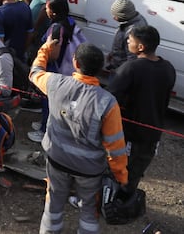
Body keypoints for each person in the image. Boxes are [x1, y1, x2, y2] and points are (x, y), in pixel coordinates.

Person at [29, 40, 128, 234]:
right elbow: (115, 146)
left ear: (75, 63)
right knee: (89, 211)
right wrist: (120, 175)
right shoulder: (107, 103)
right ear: (101, 69)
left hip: (57, 160)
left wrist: (46, 49)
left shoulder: (55, 83)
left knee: (53, 205)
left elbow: (34, 72)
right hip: (89, 170)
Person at [108, 25, 176, 191]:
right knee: (136, 172)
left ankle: (113, 204)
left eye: (130, 40)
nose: (127, 42)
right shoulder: (168, 67)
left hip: (130, 133)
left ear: (140, 47)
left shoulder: (130, 68)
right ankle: (128, 202)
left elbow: (110, 98)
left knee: (118, 171)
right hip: (153, 133)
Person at [29, 0, 88, 143]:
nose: (45, 10)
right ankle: (44, 123)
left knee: (48, 101)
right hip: (67, 69)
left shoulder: (56, 28)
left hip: (55, 69)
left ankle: (44, 130)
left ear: (53, 12)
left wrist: (43, 52)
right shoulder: (69, 21)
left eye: (47, 8)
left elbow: (54, 55)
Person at [105, 0, 147, 71]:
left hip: (121, 71)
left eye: (116, 15)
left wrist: (122, 75)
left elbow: (132, 60)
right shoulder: (134, 19)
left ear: (124, 16)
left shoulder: (133, 32)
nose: (113, 18)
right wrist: (113, 53)